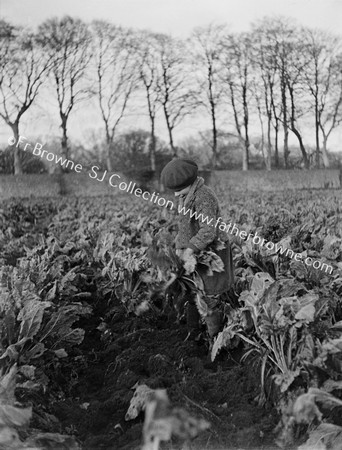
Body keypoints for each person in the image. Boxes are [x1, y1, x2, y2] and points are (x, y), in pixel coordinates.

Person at [160, 158, 234, 339]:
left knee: (209, 295)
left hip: (213, 252)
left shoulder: (204, 197)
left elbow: (209, 231)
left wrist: (190, 249)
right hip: (196, 252)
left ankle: (215, 337)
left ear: (191, 183)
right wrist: (179, 248)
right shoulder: (186, 197)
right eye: (174, 191)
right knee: (192, 291)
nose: (176, 195)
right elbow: (185, 228)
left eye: (179, 190)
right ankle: (193, 334)